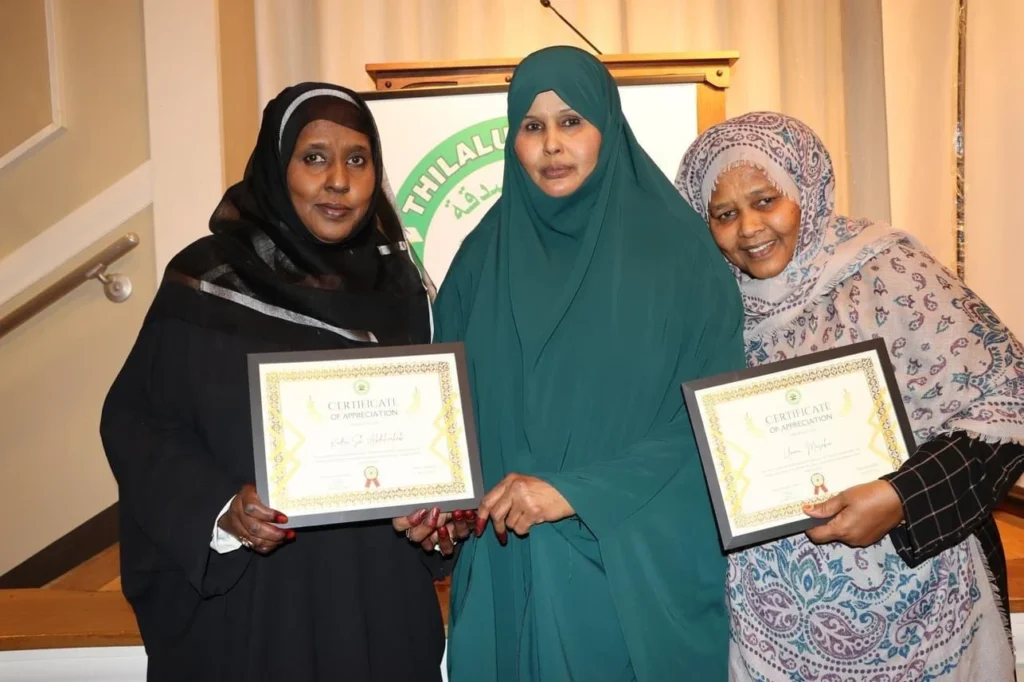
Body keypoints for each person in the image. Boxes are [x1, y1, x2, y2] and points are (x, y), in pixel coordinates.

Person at [101, 82, 453, 681]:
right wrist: (220, 508)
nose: (338, 181)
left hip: (377, 601)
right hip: (255, 608)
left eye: (357, 160)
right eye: (314, 157)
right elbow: (139, 423)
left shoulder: (401, 290)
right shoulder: (208, 282)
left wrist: (436, 516)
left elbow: (429, 444)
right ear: (277, 164)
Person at [423, 45, 747, 682]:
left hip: (629, 572)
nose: (552, 145)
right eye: (532, 126)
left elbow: (711, 424)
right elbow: (448, 417)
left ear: (607, 126)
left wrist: (574, 492)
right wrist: (438, 503)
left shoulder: (682, 258)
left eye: (571, 122)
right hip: (508, 569)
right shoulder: (479, 260)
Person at [676, 111, 1024, 681]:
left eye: (766, 201)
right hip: (771, 626)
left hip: (926, 605)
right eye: (725, 214)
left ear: (806, 191)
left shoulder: (888, 270)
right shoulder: (707, 306)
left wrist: (900, 497)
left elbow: (1008, 401)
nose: (750, 228)